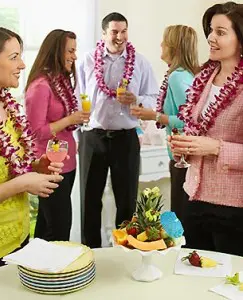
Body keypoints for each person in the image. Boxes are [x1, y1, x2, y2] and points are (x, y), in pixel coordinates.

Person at [0, 25, 63, 278]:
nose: (22, 64)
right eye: (14, 57)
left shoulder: (8, 109)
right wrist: (21, 183)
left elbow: (7, 168)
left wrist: (35, 167)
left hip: (19, 242)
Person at [78, 12, 159, 248]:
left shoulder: (141, 63)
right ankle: (90, 252)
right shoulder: (87, 61)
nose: (120, 36)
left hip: (126, 138)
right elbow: (77, 96)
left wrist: (137, 99)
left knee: (126, 201)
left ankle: (124, 252)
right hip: (93, 136)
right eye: (115, 31)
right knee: (90, 200)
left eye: (124, 31)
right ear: (104, 34)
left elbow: (153, 98)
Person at [170, 2, 243, 256]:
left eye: (221, 32)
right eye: (211, 30)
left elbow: (212, 144)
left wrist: (215, 148)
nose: (211, 37)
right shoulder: (204, 78)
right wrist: (184, 148)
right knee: (192, 278)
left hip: (233, 207)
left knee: (229, 287)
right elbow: (194, 130)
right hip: (192, 198)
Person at [131, 25, 200, 225]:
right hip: (183, 157)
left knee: (180, 220)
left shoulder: (178, 77)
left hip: (183, 160)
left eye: (165, 41)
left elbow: (187, 120)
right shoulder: (184, 74)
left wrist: (154, 116)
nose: (161, 45)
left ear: (174, 47)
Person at [25, 29, 89, 242]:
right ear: (56, 52)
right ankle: (53, 272)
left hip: (66, 164)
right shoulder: (40, 86)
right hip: (50, 166)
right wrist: (70, 120)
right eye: (70, 51)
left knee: (48, 224)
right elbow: (36, 132)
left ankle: (39, 268)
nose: (75, 56)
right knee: (59, 228)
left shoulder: (60, 82)